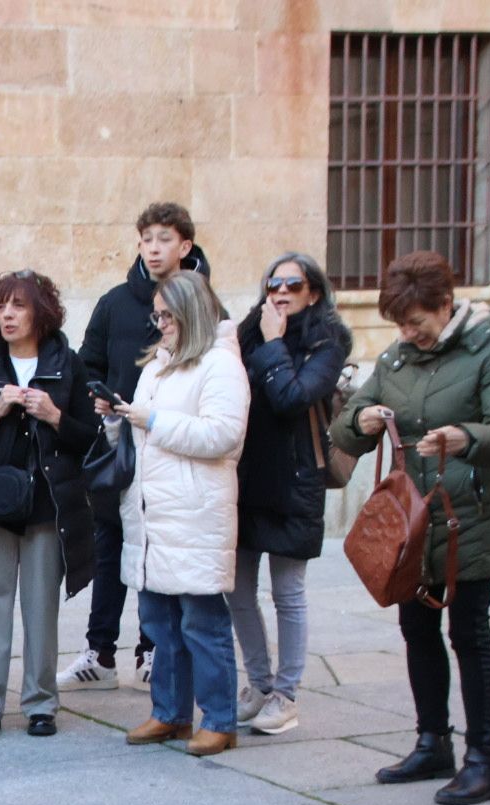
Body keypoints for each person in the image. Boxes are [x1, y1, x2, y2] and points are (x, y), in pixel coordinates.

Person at [331, 251, 490, 805]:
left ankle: (484, 760)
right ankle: (431, 741)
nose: (408, 332)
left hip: (471, 519)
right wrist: (360, 419)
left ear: (446, 304)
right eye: (400, 324)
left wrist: (465, 437)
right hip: (414, 524)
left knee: (469, 634)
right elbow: (345, 431)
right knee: (417, 631)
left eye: (417, 320)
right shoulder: (396, 358)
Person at [62, 202, 212, 695]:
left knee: (161, 551)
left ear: (185, 246)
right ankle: (99, 651)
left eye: (164, 238)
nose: (153, 247)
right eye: (146, 237)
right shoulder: (114, 303)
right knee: (110, 548)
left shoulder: (204, 305)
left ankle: (152, 651)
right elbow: (89, 365)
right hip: (121, 445)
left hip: (176, 447)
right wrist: (105, 400)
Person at [99, 270, 249, 756]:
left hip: (194, 514)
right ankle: (170, 714)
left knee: (202, 625)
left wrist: (153, 421)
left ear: (193, 313)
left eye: (168, 315)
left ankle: (220, 719)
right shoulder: (158, 366)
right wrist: (115, 420)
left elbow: (222, 436)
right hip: (153, 515)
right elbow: (144, 439)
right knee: (160, 624)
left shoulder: (221, 365)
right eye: (157, 315)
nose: (160, 324)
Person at [0, 270, 96, 740]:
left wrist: (54, 415)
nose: (7, 315)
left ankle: (40, 704)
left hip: (47, 504)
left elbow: (89, 437)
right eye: (0, 307)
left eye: (19, 306)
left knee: (40, 606)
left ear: (41, 313)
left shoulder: (68, 363)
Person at [228, 253, 351, 736]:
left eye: (292, 285)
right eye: (273, 284)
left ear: (313, 293)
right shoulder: (247, 333)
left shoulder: (328, 340)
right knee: (236, 589)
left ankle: (286, 693)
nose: (280, 293)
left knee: (287, 592)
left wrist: (275, 344)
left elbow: (292, 398)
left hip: (296, 480)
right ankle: (258, 684)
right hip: (247, 477)